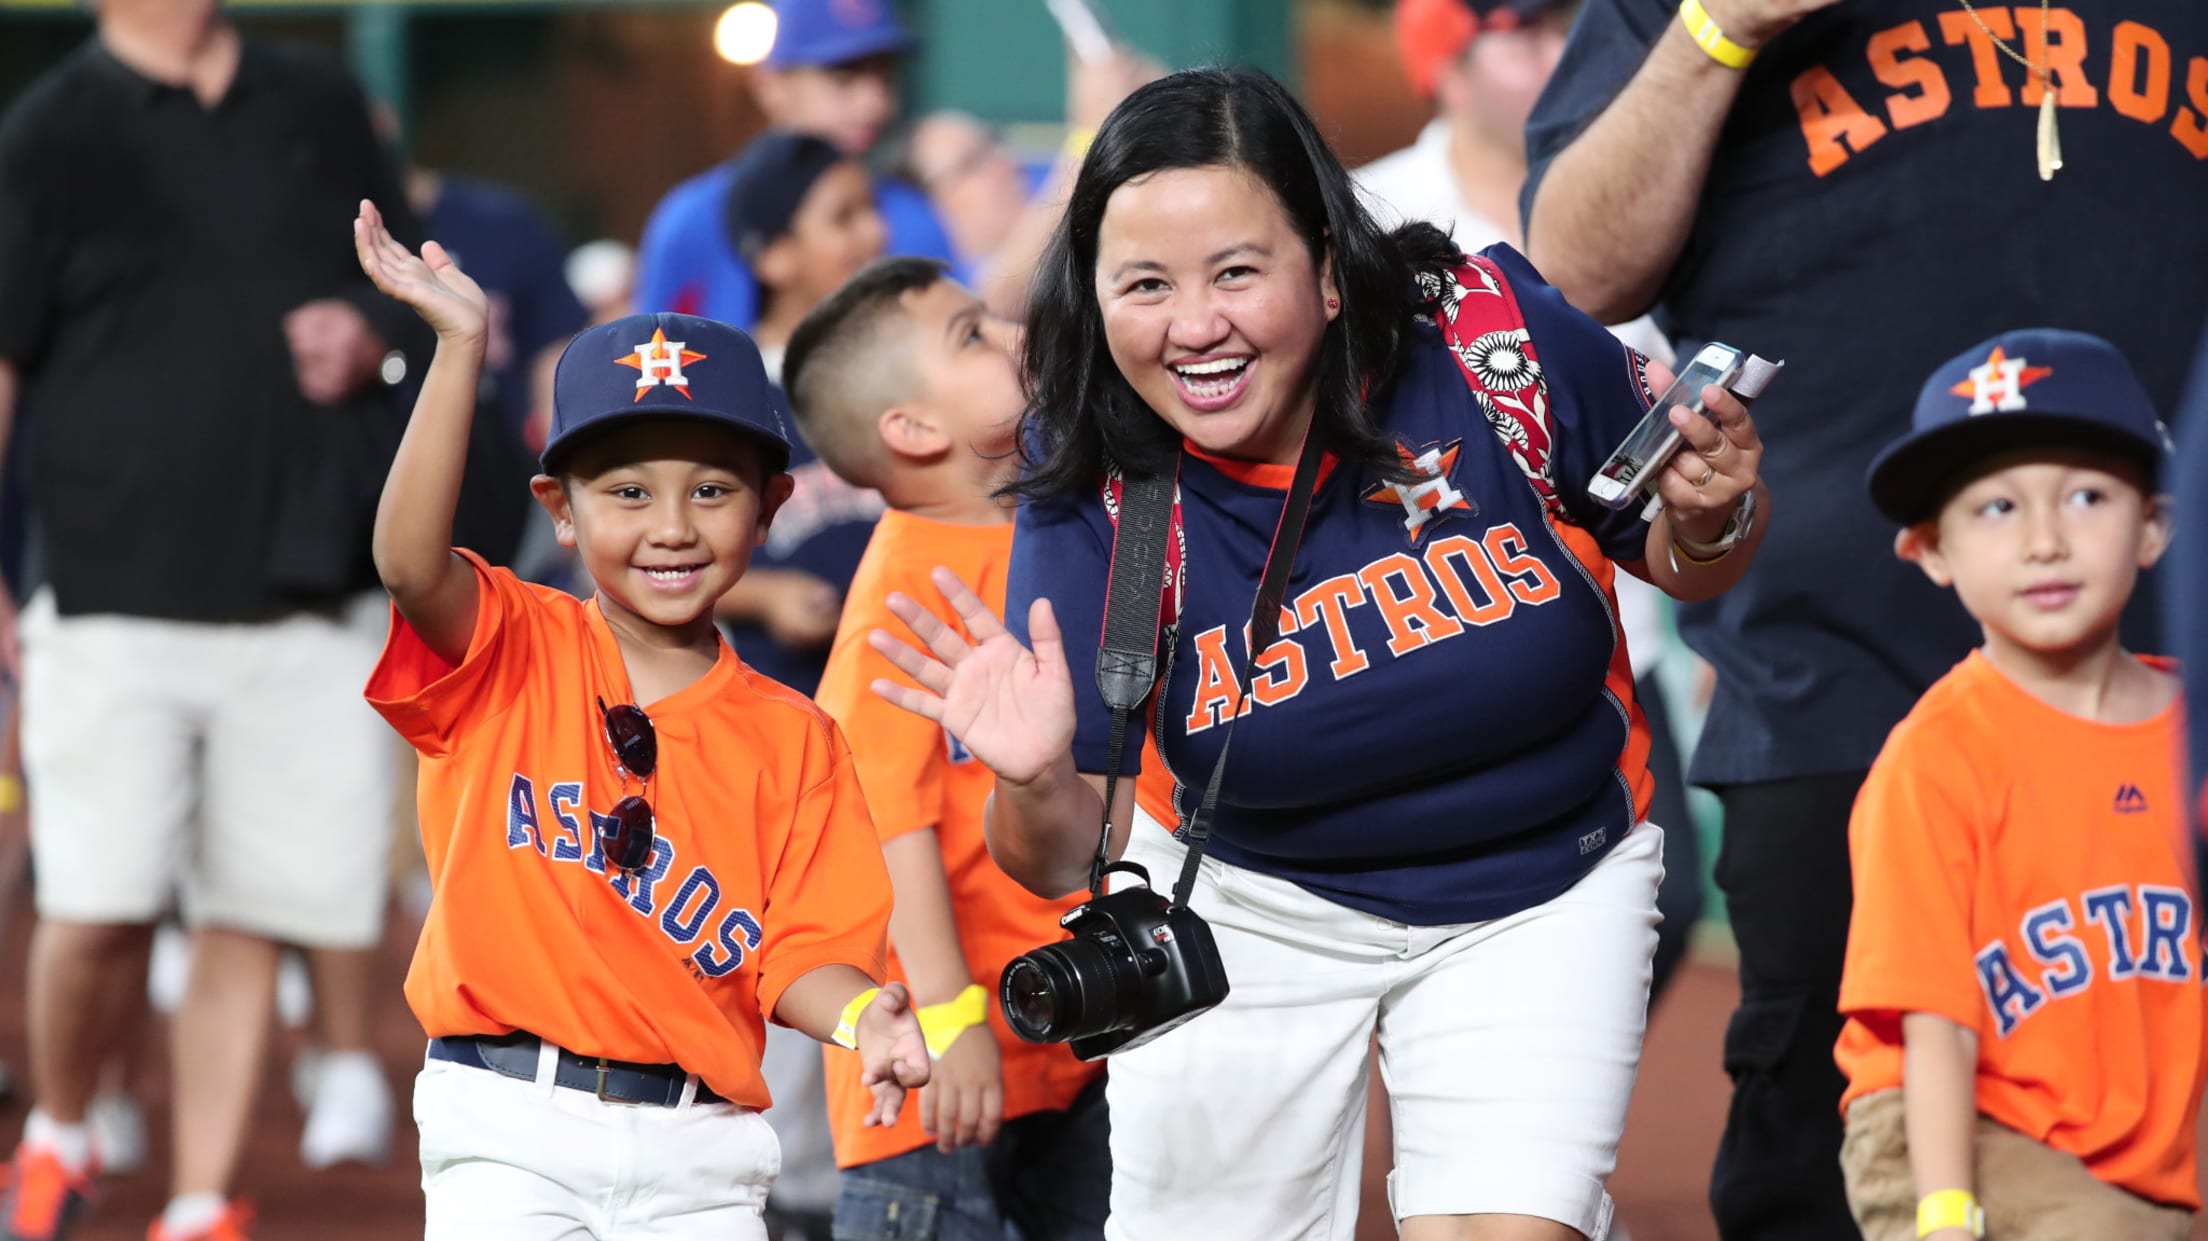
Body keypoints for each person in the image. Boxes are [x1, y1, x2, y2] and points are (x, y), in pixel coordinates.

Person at [868, 66, 1770, 1241]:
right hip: (1247, 900)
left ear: (1332, 271)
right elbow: (1051, 864)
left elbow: (1676, 554)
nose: (1196, 325)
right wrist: (1035, 774)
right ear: (1093, 298)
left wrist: (1711, 517)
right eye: (1146, 284)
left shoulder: (1485, 336)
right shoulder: (1095, 472)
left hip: (1543, 876)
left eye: (1237, 271)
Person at [1519, 4, 2208, 1234]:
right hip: (1843, 672)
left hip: (2174, 676)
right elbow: (1576, 264)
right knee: (1835, 1153)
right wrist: (1720, 30)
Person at [349, 199, 930, 1239]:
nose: (671, 525)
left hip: (700, 1154)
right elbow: (406, 561)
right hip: (509, 1120)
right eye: (625, 490)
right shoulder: (511, 644)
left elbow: (801, 954)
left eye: (712, 489)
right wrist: (459, 349)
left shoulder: (796, 737)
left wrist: (861, 1014)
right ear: (560, 510)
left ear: (771, 505)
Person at [0, 2, 430, 1236]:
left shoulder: (319, 101)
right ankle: (62, 1123)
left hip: (306, 584)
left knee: (257, 905)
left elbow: (399, 295)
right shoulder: (49, 130)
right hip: (104, 584)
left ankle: (198, 1200)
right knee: (96, 904)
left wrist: (374, 338)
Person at [1836, 329, 2198, 1240]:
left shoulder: (2193, 734)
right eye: (1996, 507)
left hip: (2133, 1135)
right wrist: (1947, 1213)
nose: (2045, 540)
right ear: (1931, 550)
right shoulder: (1936, 757)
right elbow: (1936, 1025)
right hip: (1953, 1122)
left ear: (2155, 525)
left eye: (2085, 496)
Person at [789, 257, 1111, 1240]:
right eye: (971, 334)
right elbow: (891, 825)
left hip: (1066, 1040)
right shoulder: (903, 588)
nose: (1014, 335)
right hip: (940, 1074)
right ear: (914, 430)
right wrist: (947, 1015)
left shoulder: (1051, 526)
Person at [633, 0, 952, 329]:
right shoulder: (691, 217)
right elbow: (654, 361)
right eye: (842, 77)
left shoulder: (915, 216)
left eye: (884, 78)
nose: (874, 103)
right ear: (770, 85)